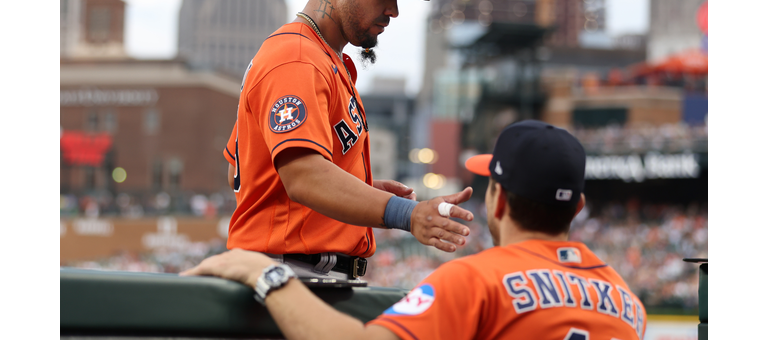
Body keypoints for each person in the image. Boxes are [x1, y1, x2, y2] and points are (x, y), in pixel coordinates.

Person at [184, 120, 647, 339]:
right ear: (578, 208)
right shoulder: (627, 302)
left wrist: (263, 273)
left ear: (497, 201)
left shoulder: (476, 281)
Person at [222, 0, 474, 281]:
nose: (394, 10)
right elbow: (304, 176)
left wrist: (360, 188)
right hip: (284, 271)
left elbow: (245, 169)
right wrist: (406, 214)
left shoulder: (323, 60)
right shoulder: (296, 57)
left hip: (300, 271)